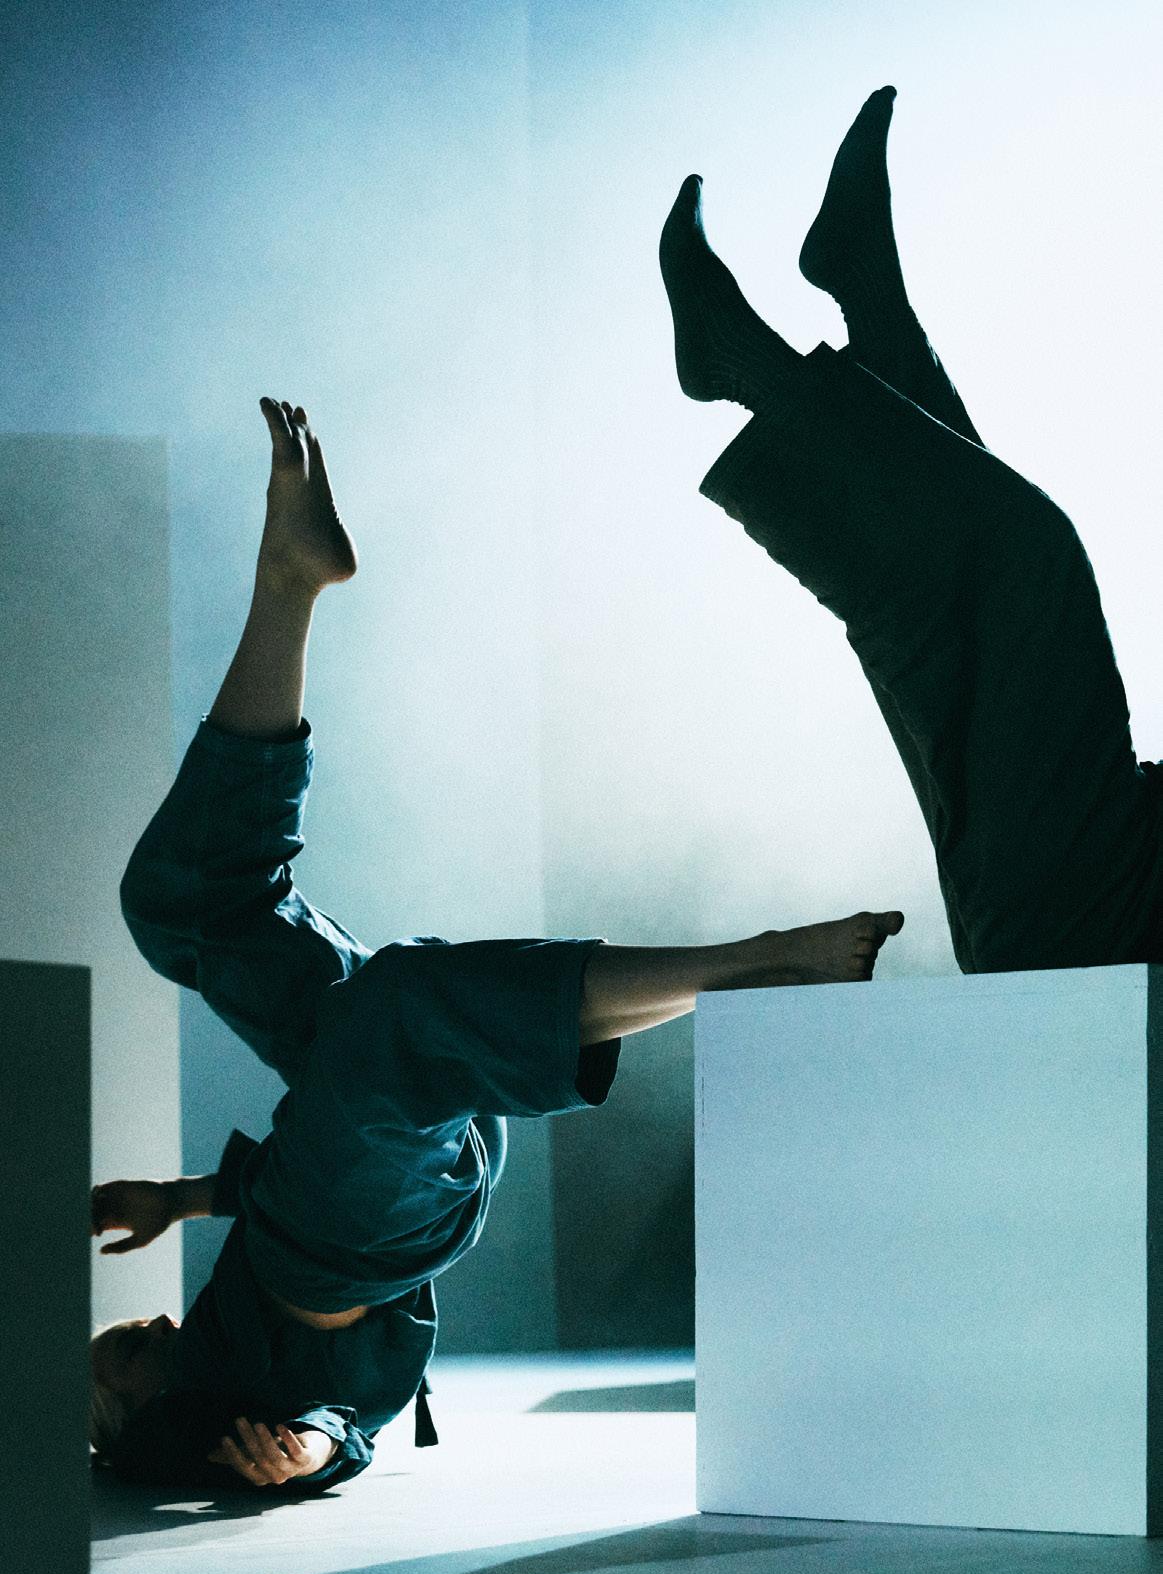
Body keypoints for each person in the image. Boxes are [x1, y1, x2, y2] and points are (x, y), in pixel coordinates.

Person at [91, 395, 903, 1490]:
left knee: (188, 907)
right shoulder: (194, 1417)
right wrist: (306, 1453)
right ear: (125, 1417)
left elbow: (266, 1192)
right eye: (124, 1355)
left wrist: (176, 1197)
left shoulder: (206, 1343)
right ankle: (746, 962)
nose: (147, 1323)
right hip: (350, 1235)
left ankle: (287, 584)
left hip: (350, 1176)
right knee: (395, 1010)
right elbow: (347, 1418)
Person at [660, 86, 1163, 976]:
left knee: (1023, 566)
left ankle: (754, 361)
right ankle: (865, 308)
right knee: (965, 621)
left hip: (1099, 949)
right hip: (1127, 886)